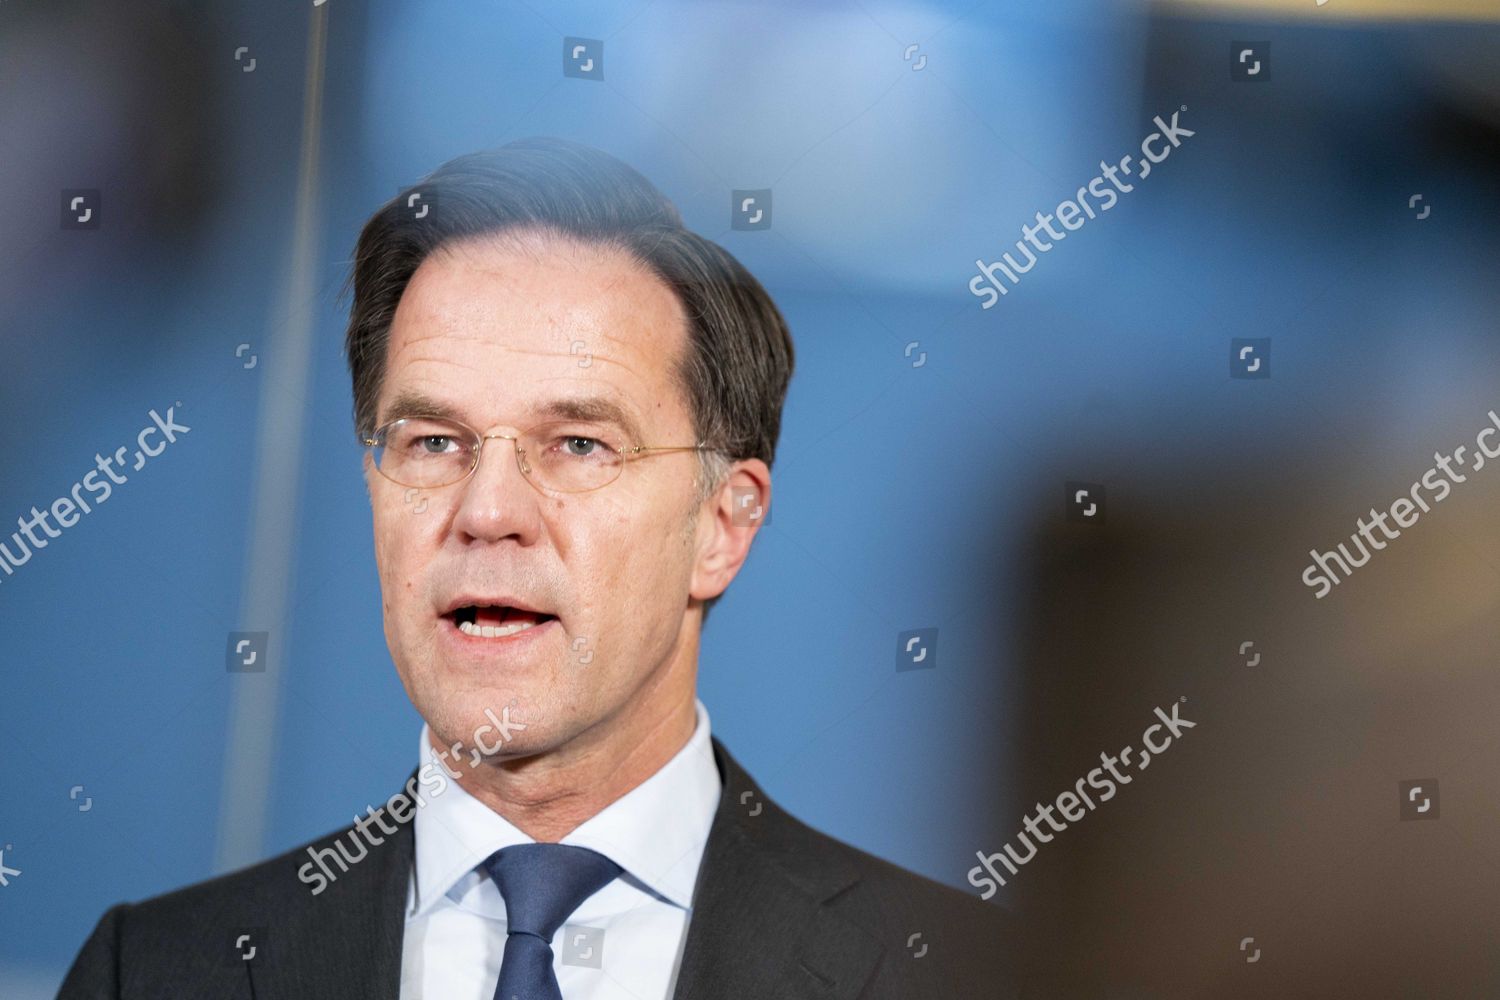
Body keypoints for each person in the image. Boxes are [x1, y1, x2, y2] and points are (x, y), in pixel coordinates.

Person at [60, 137, 1027, 999]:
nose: (487, 514)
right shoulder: (152, 973)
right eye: (433, 442)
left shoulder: (961, 977)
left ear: (723, 526)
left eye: (577, 445)